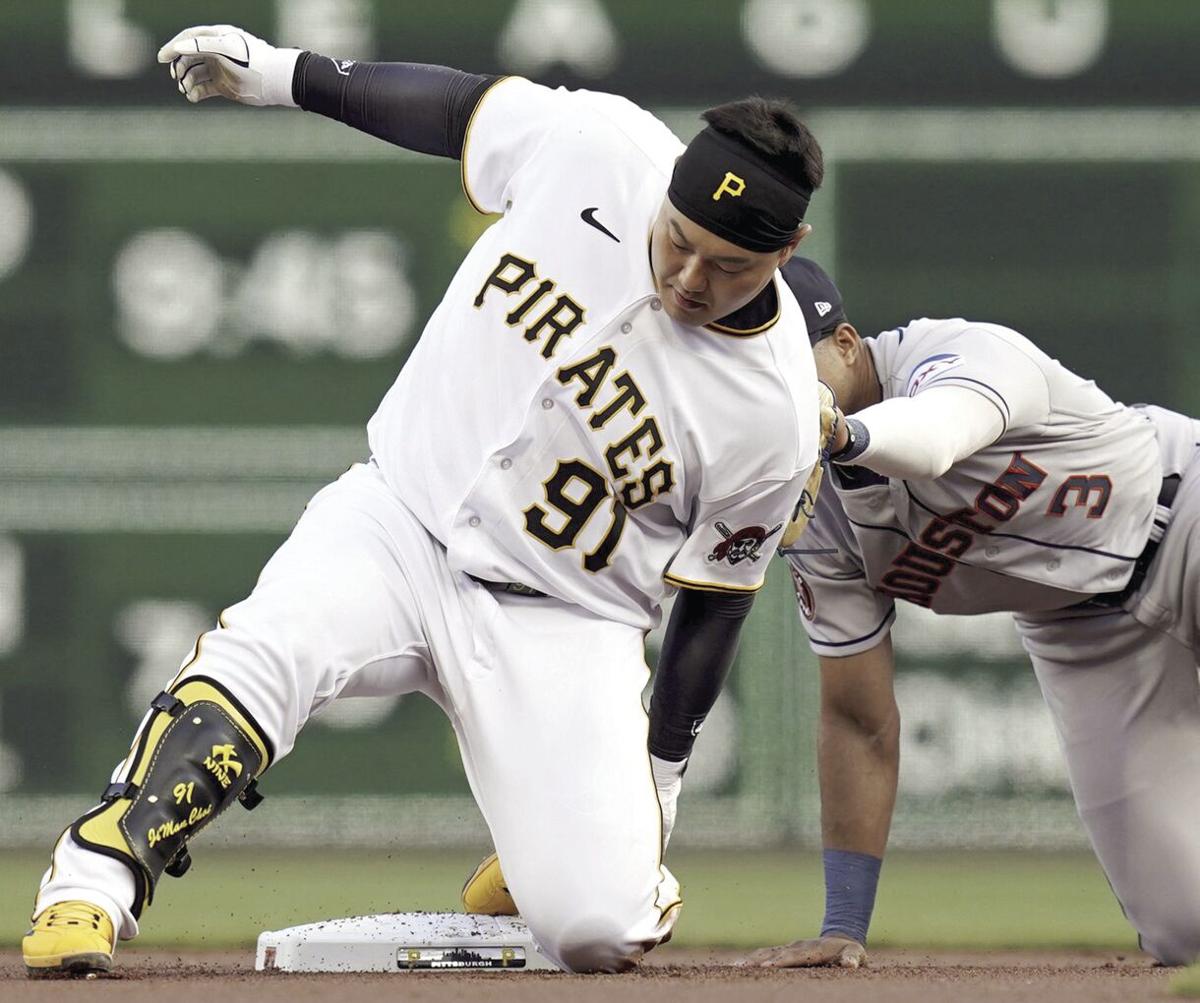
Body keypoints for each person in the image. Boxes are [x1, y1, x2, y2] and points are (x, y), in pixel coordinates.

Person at [21, 25, 826, 977]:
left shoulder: (775, 413)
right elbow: (455, 108)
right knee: (272, 649)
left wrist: (661, 784)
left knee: (597, 929)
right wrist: (284, 76)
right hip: (402, 518)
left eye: (729, 265)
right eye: (681, 240)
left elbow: (714, 606)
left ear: (789, 250)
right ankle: (92, 883)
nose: (691, 278)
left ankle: (575, 866)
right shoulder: (600, 148)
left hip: (563, 620)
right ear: (671, 185)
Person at [743, 260, 1200, 969]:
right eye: (750, 371)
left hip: (1185, 515)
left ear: (845, 344)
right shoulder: (813, 514)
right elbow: (857, 718)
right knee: (1184, 926)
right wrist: (843, 921)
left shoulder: (957, 353)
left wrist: (846, 439)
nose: (771, 391)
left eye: (781, 359)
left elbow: (936, 435)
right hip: (1083, 634)